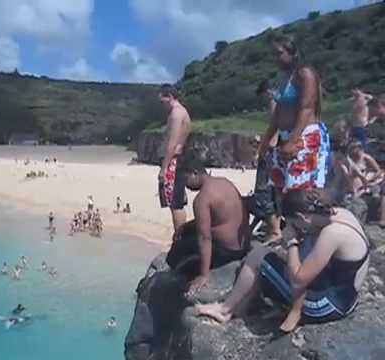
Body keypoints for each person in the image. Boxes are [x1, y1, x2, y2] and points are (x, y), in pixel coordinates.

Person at [196, 189, 369, 333]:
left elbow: (297, 281)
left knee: (258, 256)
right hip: (346, 298)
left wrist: (291, 242)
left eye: (294, 224)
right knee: (274, 260)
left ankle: (225, 310)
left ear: (302, 217)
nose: (295, 228)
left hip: (328, 305)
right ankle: (240, 308)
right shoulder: (340, 214)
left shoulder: (332, 234)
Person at [167, 156, 250, 295]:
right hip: (242, 246)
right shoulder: (225, 183)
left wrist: (204, 275)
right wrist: (186, 226)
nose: (186, 185)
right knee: (187, 232)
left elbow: (204, 237)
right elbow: (223, 216)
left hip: (227, 252)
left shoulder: (202, 199)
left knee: (177, 251)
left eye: (186, 179)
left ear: (194, 173)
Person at [260, 35, 331, 194]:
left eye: (279, 53)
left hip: (303, 136)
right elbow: (278, 112)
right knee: (278, 188)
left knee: (300, 191)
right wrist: (265, 141)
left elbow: (306, 108)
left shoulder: (305, 74)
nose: (275, 58)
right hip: (286, 137)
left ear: (292, 53)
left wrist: (292, 141)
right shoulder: (284, 77)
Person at [157, 84, 192, 232]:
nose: (162, 105)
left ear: (169, 97)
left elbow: (172, 142)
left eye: (162, 101)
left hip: (173, 161)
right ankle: (180, 235)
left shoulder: (177, 114)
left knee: (174, 202)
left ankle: (179, 236)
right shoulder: (180, 112)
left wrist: (164, 169)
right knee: (176, 201)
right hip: (177, 160)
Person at [254, 80, 282, 244]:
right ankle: (275, 228)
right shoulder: (285, 102)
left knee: (263, 191)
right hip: (281, 152)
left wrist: (263, 150)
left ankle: (275, 229)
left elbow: (274, 130)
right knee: (276, 191)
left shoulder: (274, 102)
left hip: (272, 151)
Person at [347, 142, 385, 225]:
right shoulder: (349, 159)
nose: (354, 152)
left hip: (366, 183)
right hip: (354, 186)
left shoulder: (366, 157)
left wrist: (370, 179)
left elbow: (379, 171)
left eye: (356, 149)